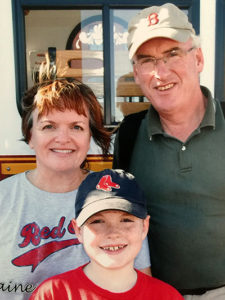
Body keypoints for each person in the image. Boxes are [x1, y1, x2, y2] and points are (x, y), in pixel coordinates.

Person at [0, 79, 150, 300]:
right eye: (48, 126)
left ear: (90, 136)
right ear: (30, 136)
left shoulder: (116, 196)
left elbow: (142, 286)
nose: (63, 138)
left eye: (77, 127)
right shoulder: (4, 198)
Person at [113, 3, 225, 300]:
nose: (161, 73)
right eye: (147, 61)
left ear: (198, 58)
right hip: (156, 293)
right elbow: (122, 220)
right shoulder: (128, 134)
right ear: (136, 73)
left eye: (173, 54)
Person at [29, 169, 183, 300]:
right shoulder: (53, 294)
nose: (113, 233)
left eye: (126, 220)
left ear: (144, 226)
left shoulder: (166, 296)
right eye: (97, 221)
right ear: (78, 230)